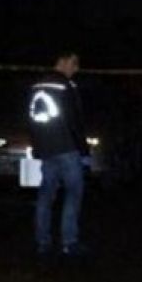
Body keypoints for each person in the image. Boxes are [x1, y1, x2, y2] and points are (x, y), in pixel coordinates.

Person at [28, 51, 91, 261]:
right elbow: (76, 121)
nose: (76, 69)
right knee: (73, 194)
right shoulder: (67, 86)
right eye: (74, 63)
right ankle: (69, 242)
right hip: (67, 149)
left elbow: (31, 120)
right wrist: (84, 151)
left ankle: (42, 242)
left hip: (47, 150)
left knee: (45, 196)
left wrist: (37, 147)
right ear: (62, 62)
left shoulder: (36, 86)